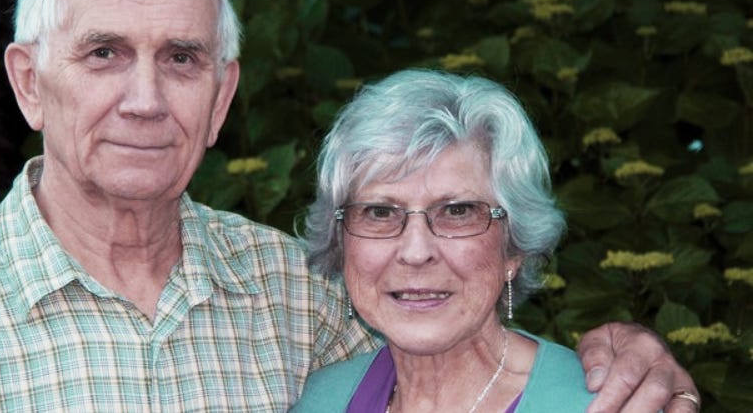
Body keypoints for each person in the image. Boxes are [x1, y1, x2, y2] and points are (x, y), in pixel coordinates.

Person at [0, 0, 698, 412]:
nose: (146, 98)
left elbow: (464, 354)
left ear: (222, 96)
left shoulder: (302, 299)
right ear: (30, 83)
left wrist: (626, 355)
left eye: (181, 58)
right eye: (104, 53)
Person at [290, 69, 699, 412]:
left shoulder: (609, 403)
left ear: (513, 248)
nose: (415, 252)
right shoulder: (317, 399)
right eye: (379, 212)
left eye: (458, 211)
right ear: (341, 242)